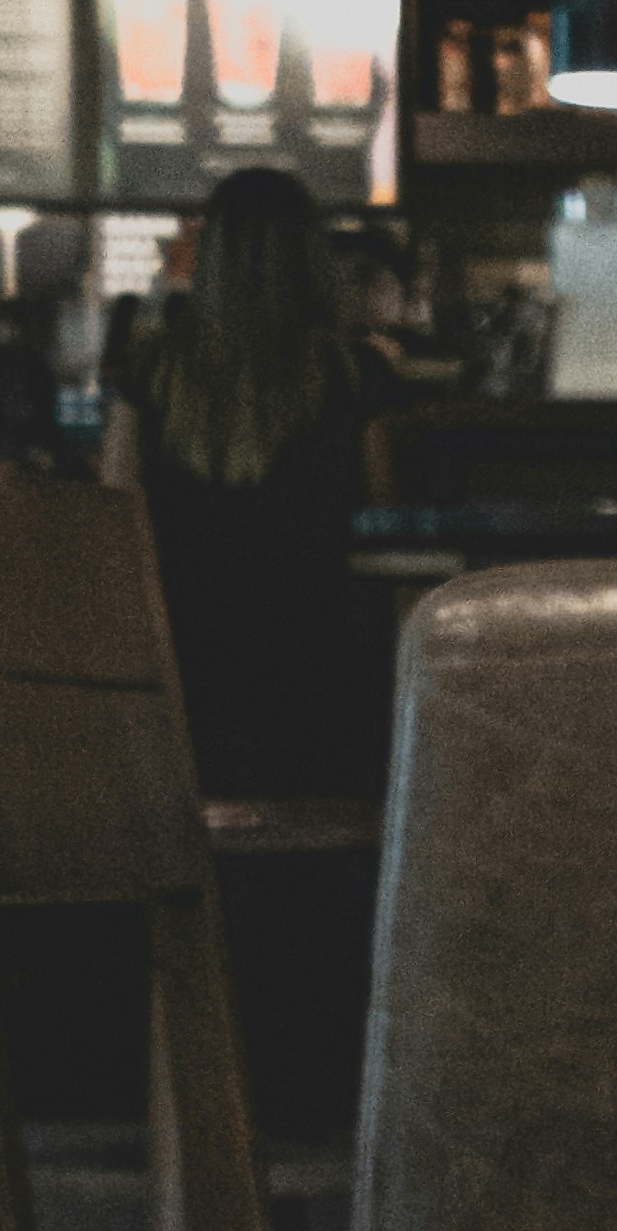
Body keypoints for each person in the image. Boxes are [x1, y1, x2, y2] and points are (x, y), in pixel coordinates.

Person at [103, 163, 389, 805]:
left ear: (210, 257)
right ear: (310, 259)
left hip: (181, 693)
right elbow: (383, 518)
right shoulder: (351, 373)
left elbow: (112, 514)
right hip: (320, 700)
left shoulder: (150, 370)